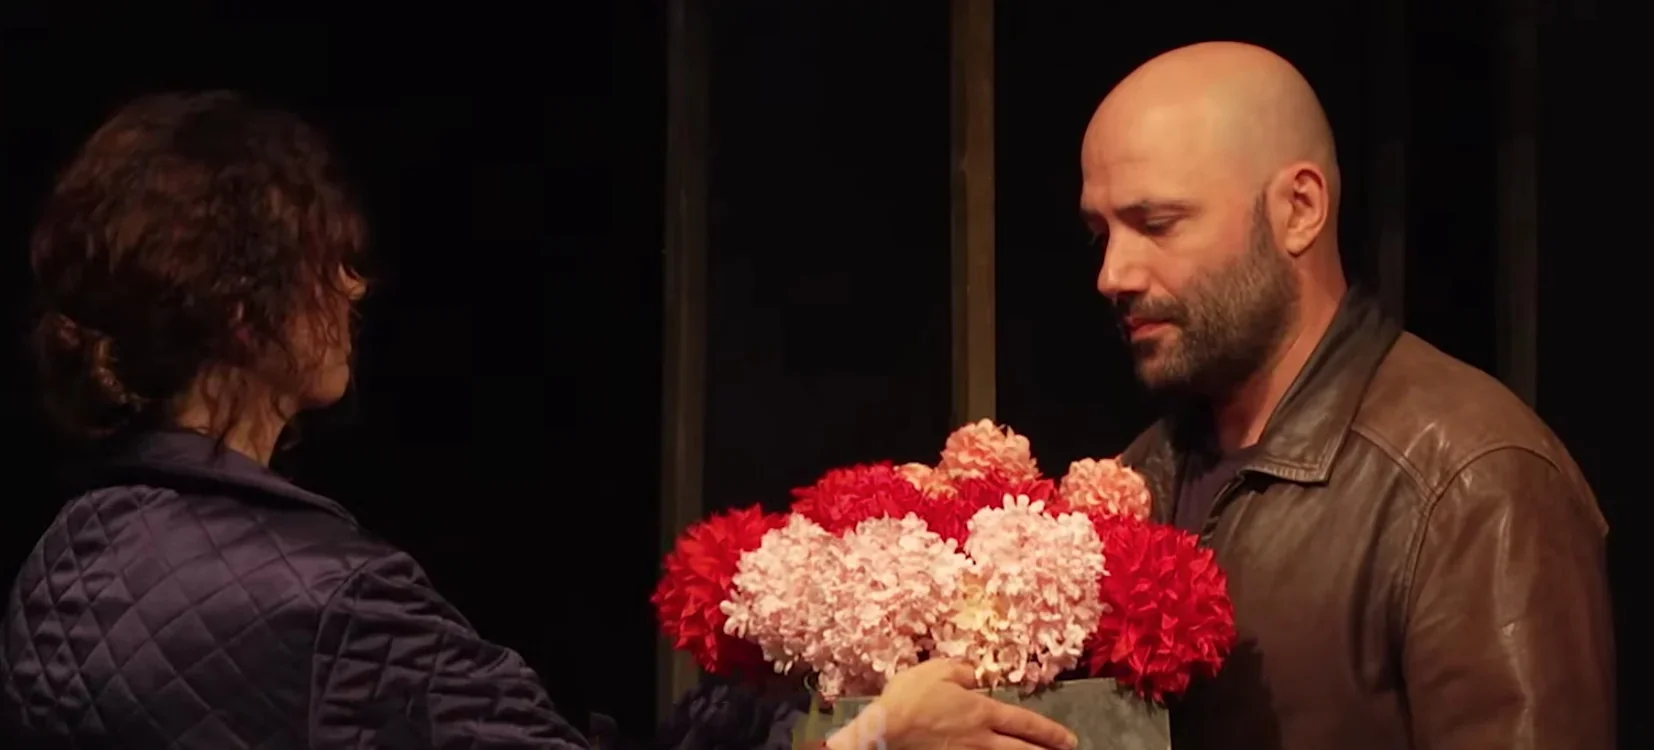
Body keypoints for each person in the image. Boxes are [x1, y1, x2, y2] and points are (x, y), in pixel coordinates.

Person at [0, 92, 1079, 750]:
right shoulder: (319, 605)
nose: (353, 288)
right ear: (240, 311)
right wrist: (884, 736)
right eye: (322, 264)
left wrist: (777, 709)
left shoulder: (66, 555)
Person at [1081, 42, 1614, 749]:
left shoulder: (1470, 481)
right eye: (1100, 233)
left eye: (1157, 224)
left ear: (1299, 209)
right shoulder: (1140, 473)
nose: (1113, 274)